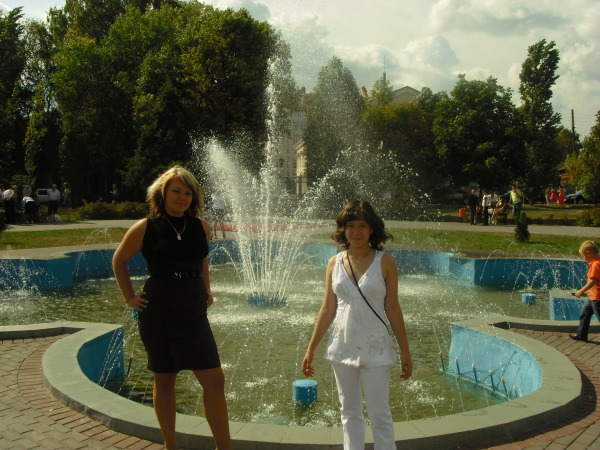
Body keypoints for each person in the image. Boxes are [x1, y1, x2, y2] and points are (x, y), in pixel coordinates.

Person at [112, 166, 231, 450]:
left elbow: (201, 260)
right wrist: (130, 297)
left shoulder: (201, 226)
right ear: (162, 193)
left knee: (215, 380)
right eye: (176, 191)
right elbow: (119, 260)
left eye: (188, 193)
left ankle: (224, 448)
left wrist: (207, 289)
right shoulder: (146, 227)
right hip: (159, 311)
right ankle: (170, 446)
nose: (182, 197)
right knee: (164, 380)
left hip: (192, 309)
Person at [301, 200, 412, 450]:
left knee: (379, 414)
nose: (356, 231)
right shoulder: (334, 263)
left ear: (372, 229)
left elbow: (393, 308)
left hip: (376, 347)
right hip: (343, 346)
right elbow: (327, 309)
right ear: (343, 229)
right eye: (351, 226)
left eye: (363, 225)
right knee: (349, 412)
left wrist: (405, 351)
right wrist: (311, 349)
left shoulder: (385, 262)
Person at [570, 240, 600, 343]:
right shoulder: (596, 261)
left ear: (588, 253)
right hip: (592, 297)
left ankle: (581, 335)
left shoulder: (596, 264)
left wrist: (582, 290)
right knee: (585, 314)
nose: (583, 258)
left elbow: (594, 280)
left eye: (583, 255)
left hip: (597, 298)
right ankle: (581, 335)